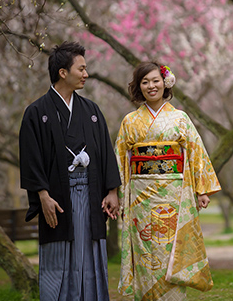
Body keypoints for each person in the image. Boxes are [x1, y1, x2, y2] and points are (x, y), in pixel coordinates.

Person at [19, 41, 121, 300]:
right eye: (82, 69)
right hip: (57, 197)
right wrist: (42, 196)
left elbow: (106, 153)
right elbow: (31, 159)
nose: (86, 74)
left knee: (90, 255)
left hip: (91, 195)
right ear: (63, 72)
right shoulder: (36, 112)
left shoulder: (91, 111)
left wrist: (112, 191)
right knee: (58, 257)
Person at [116, 62, 221, 300]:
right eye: (145, 82)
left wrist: (202, 190)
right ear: (138, 87)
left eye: (155, 80)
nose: (151, 86)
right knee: (144, 249)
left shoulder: (180, 118)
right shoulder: (130, 121)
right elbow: (120, 158)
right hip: (140, 197)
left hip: (173, 194)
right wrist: (118, 193)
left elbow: (196, 151)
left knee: (171, 249)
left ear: (165, 83)